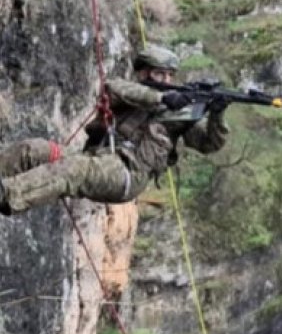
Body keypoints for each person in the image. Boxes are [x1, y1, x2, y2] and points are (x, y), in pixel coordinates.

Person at [0, 45, 229, 216]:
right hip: (97, 158)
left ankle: (7, 195)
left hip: (127, 174)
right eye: (160, 74)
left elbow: (209, 144)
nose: (166, 80)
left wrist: (217, 115)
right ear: (144, 73)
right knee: (34, 150)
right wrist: (162, 97)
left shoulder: (178, 116)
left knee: (74, 170)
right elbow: (113, 88)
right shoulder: (133, 92)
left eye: (170, 75)